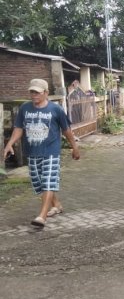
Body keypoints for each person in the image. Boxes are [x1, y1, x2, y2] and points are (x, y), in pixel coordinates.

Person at [2, 79, 81, 227]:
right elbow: (19, 128)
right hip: (31, 152)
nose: (33, 95)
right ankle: (56, 205)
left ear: (46, 93)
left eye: (37, 92)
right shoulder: (24, 108)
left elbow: (66, 130)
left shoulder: (55, 109)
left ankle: (42, 216)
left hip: (51, 151)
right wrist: (9, 144)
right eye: (32, 92)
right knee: (39, 184)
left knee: (48, 182)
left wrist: (74, 147)